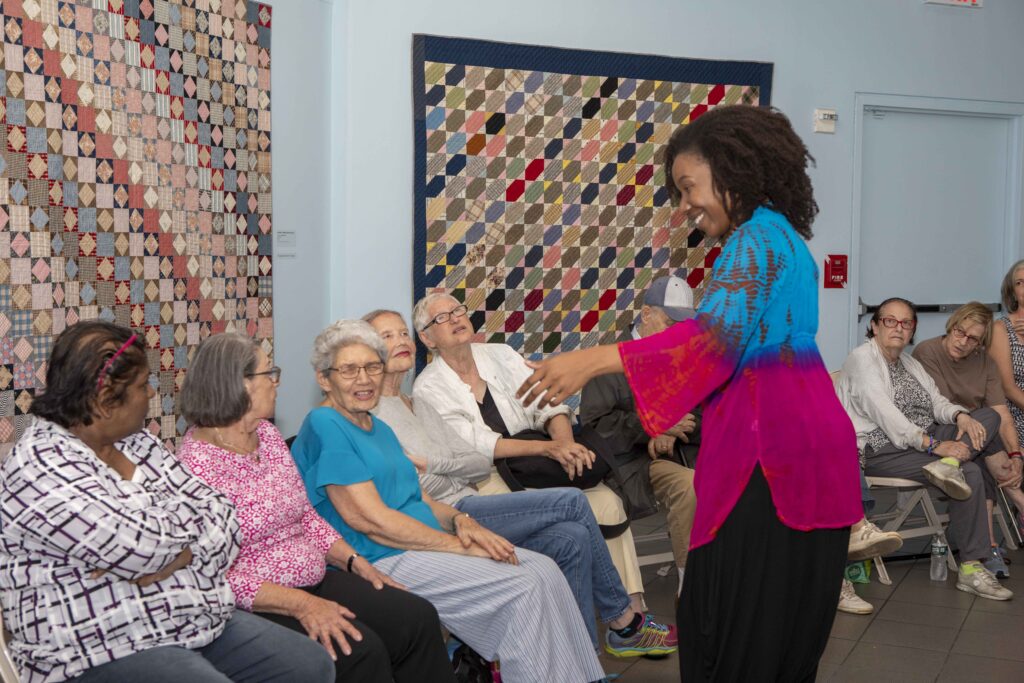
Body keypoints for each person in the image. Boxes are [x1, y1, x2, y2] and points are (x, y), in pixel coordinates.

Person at [517, 105, 863, 682]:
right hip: (808, 439)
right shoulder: (786, 239)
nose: (683, 207)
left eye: (688, 187)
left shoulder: (754, 241)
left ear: (734, 172)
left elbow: (712, 342)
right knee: (784, 621)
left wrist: (592, 359)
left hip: (769, 451)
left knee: (735, 623)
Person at [0, 321, 334, 683]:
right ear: (106, 398)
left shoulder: (136, 442)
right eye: (143, 386)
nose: (151, 395)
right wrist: (178, 541)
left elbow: (224, 518)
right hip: (96, 647)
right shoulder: (40, 465)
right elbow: (140, 548)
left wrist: (175, 554)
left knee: (308, 664)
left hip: (187, 618)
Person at [291, 320, 606, 683]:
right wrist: (459, 547)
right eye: (349, 370)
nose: (364, 379)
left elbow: (421, 497)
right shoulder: (325, 423)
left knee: (544, 570)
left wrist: (462, 522)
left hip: (420, 546)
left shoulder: (379, 428)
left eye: (372, 367)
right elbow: (370, 520)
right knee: (523, 587)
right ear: (324, 379)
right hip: (384, 556)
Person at [364, 309, 676, 657]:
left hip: (476, 488)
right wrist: (448, 468)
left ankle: (581, 659)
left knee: (572, 536)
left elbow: (471, 460)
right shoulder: (379, 412)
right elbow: (425, 483)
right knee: (573, 503)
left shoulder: (416, 401)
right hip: (455, 510)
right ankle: (623, 622)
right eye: (387, 337)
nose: (400, 342)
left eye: (401, 333)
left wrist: (561, 444)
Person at [177, 333, 455, 683]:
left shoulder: (267, 435)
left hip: (316, 577)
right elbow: (215, 576)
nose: (277, 383)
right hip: (260, 602)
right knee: (360, 650)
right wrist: (303, 605)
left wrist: (354, 562)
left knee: (415, 617)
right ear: (241, 384)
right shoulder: (196, 467)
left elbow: (305, 515)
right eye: (269, 373)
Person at [411, 291, 648, 612]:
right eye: (442, 317)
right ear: (427, 338)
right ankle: (605, 616)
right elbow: (477, 444)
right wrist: (550, 448)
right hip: (484, 479)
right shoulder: (428, 387)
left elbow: (547, 401)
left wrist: (564, 442)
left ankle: (633, 612)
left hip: (537, 463)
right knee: (571, 526)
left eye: (457, 310)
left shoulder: (501, 354)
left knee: (608, 503)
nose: (454, 318)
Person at [838, 297, 1012, 601]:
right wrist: (934, 445)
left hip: (926, 439)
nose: (898, 328)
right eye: (890, 321)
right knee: (970, 472)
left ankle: (970, 567)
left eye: (906, 323)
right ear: (875, 326)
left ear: (912, 330)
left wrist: (960, 416)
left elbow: (937, 402)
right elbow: (887, 418)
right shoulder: (862, 359)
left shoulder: (909, 362)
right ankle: (971, 561)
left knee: (987, 417)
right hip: (884, 447)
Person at [578, 275, 699, 598]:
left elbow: (701, 413)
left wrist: (672, 433)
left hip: (673, 455)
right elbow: (595, 428)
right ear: (646, 314)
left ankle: (726, 575)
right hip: (626, 464)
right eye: (670, 323)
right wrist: (652, 426)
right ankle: (691, 583)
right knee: (689, 487)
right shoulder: (609, 360)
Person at [914, 302, 1024, 577]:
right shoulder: (927, 351)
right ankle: (1017, 506)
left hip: (970, 445)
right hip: (935, 434)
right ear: (951, 326)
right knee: (982, 430)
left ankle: (987, 545)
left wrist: (1015, 454)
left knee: (980, 446)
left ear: (980, 343)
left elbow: (1002, 413)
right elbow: (940, 406)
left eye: (972, 338)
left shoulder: (985, 363)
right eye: (960, 332)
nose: (963, 342)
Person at [990, 260, 1024, 531]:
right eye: (1020, 283)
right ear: (1011, 291)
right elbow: (1008, 388)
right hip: (1013, 410)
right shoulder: (1001, 329)